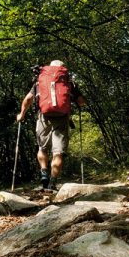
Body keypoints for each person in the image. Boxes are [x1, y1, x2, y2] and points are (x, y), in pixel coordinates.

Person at [16, 60, 85, 190]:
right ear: (63, 69)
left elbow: (27, 100)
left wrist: (21, 114)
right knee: (58, 153)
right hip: (62, 118)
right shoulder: (69, 83)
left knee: (42, 148)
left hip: (43, 117)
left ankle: (44, 172)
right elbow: (81, 102)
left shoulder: (39, 82)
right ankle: (53, 183)